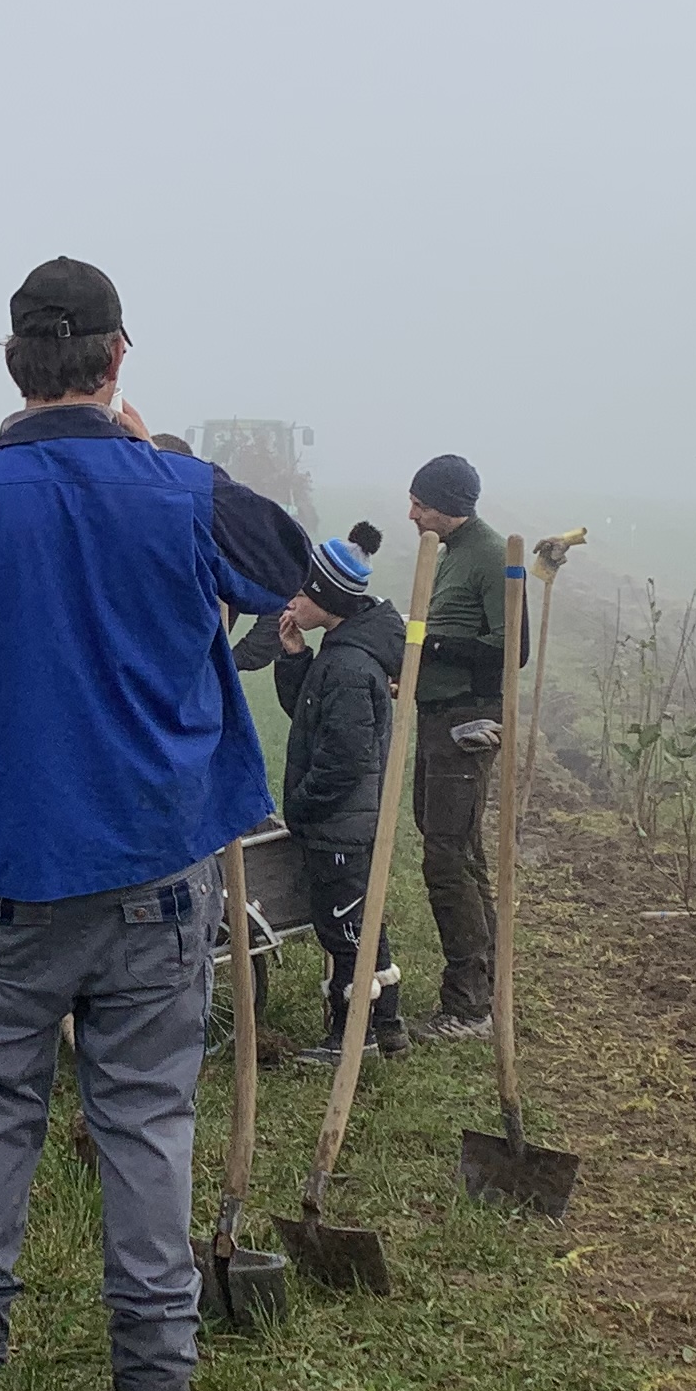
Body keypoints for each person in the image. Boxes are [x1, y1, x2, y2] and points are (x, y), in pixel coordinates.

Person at [0, 258, 308, 1391]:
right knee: (147, 1116)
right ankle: (155, 1373)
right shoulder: (177, 492)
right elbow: (299, 570)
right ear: (118, 359)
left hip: (6, 883)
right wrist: (159, 454)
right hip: (160, 875)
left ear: (15, 365)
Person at [248, 523, 407, 1066]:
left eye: (300, 592)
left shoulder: (348, 666)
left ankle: (351, 1037)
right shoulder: (339, 652)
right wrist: (293, 655)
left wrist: (305, 807)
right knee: (362, 920)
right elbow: (310, 720)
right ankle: (389, 1027)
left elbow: (344, 760)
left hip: (340, 824)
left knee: (344, 931)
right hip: (345, 820)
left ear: (326, 598)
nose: (290, 600)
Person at [401, 453, 513, 1040]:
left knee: (447, 858)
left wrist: (431, 647)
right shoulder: (450, 554)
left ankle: (468, 1005)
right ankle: (489, 986)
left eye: (420, 504)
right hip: (436, 714)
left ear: (446, 506)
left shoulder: (490, 556)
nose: (412, 513)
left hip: (467, 723)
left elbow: (508, 651)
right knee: (454, 847)